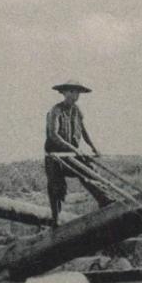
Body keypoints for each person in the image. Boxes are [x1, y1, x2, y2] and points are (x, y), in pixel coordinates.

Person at [44, 78, 114, 226]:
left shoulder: (77, 110)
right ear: (63, 93)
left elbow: (83, 130)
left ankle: (105, 201)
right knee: (57, 188)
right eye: (71, 91)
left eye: (77, 92)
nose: (75, 95)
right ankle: (56, 221)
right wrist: (74, 149)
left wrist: (93, 147)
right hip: (55, 156)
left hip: (73, 154)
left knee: (90, 172)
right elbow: (53, 135)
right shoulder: (55, 110)